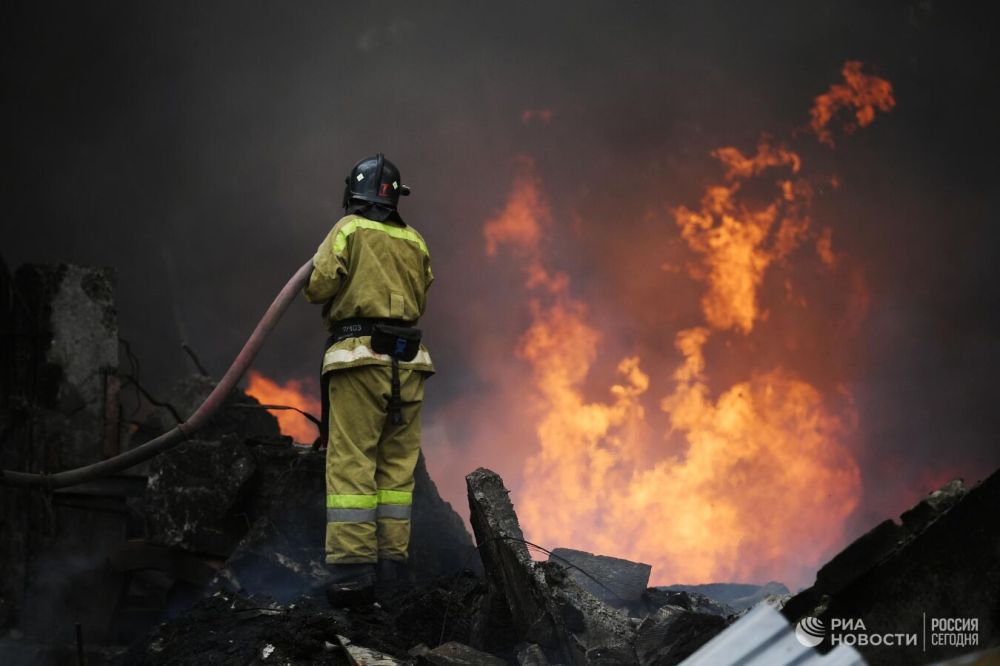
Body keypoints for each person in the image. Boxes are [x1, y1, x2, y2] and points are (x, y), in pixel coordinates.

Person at [303, 153, 434, 606]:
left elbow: (318, 286)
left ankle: (353, 573)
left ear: (352, 192)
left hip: (359, 359)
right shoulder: (415, 241)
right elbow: (423, 291)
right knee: (396, 469)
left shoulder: (348, 230)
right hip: (409, 361)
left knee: (352, 459)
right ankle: (392, 570)